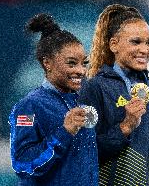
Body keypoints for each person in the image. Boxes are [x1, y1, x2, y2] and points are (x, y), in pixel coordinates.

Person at [78, 4, 149, 186]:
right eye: (136, 42)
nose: (145, 49)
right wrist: (125, 127)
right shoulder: (95, 88)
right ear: (114, 44)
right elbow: (83, 152)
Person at [9, 13, 98, 186]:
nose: (81, 71)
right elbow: (23, 165)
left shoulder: (82, 101)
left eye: (84, 63)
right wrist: (64, 132)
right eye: (72, 63)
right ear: (47, 63)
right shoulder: (29, 106)